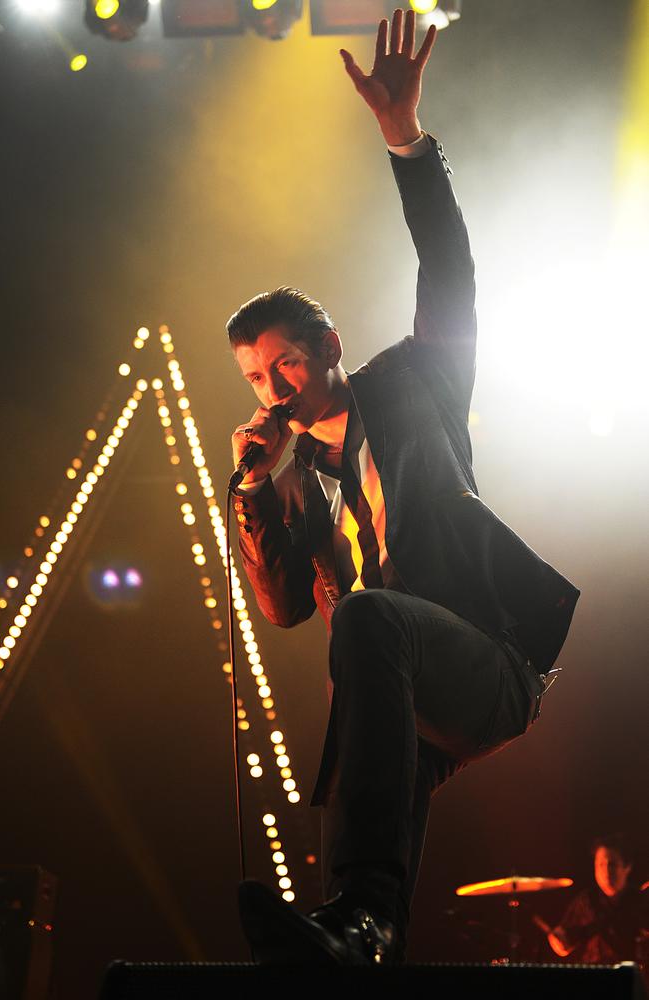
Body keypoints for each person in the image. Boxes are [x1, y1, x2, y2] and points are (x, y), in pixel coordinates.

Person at [228, 7, 579, 966]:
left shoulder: (416, 383)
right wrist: (258, 495)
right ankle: (361, 929)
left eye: (287, 362)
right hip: (403, 678)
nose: (275, 387)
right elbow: (287, 609)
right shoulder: (294, 483)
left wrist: (405, 142)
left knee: (371, 619)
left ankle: (362, 916)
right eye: (257, 379)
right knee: (362, 790)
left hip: (490, 661)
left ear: (330, 349)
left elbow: (451, 271)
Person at [543, 835, 648, 965]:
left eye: (612, 865)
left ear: (627, 867)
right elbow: (564, 938)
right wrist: (559, 941)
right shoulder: (585, 900)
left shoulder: (641, 901)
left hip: (631, 978)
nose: (606, 871)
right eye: (600, 864)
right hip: (592, 977)